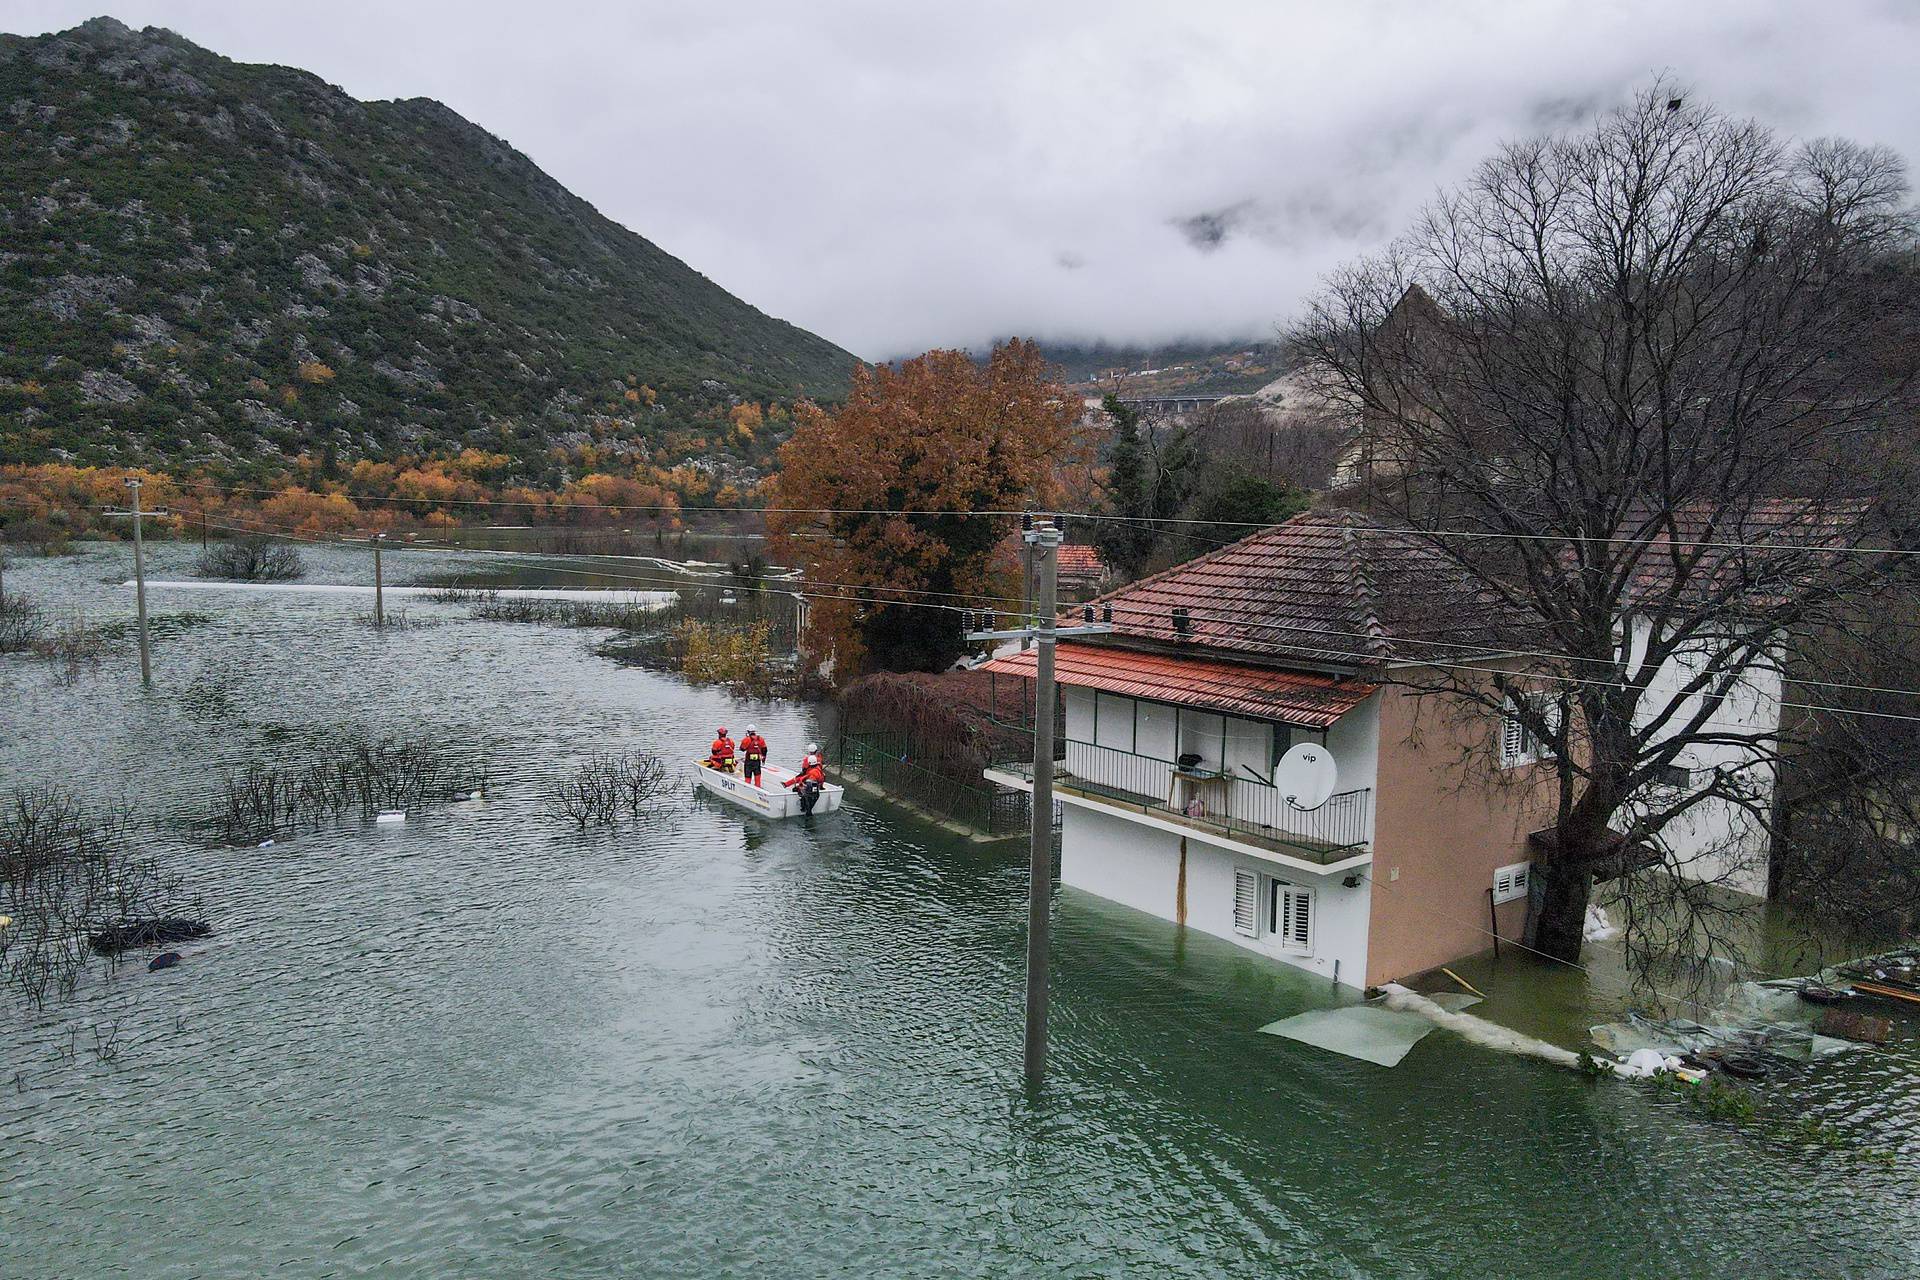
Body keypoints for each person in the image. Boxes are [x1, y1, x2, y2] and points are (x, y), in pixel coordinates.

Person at [786, 742, 826, 814]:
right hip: (817, 782)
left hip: (808, 779)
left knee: (798, 780)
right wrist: (821, 786)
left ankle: (787, 785)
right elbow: (821, 777)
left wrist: (800, 782)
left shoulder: (807, 760)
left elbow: (803, 772)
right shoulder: (819, 759)